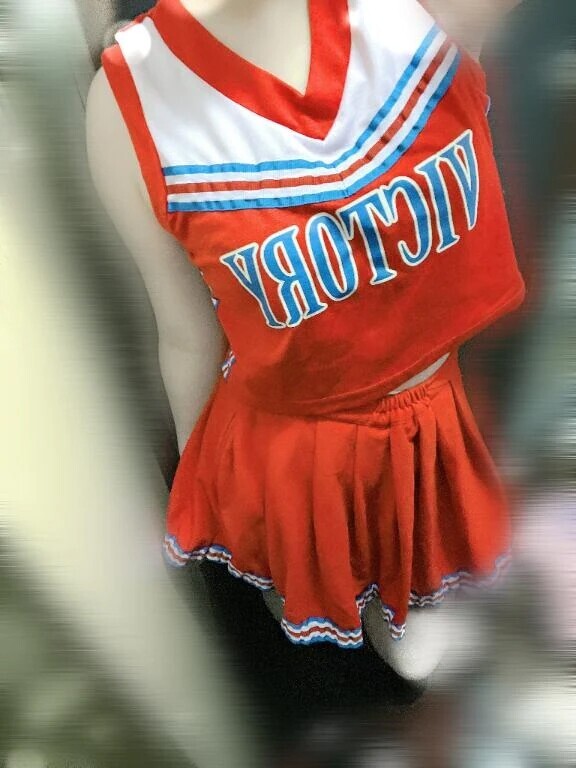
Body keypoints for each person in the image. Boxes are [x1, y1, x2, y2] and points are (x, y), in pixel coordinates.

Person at [86, 0, 525, 682]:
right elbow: (185, 331)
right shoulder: (128, 102)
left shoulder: (421, 13)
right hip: (305, 456)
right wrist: (219, 500)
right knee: (377, 634)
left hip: (455, 402)